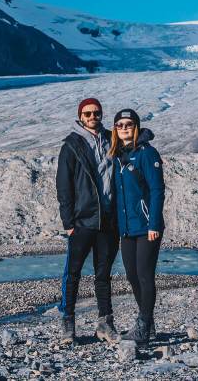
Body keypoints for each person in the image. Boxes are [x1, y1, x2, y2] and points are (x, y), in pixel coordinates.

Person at [55, 97, 121, 345]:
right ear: (80, 116)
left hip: (108, 221)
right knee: (73, 273)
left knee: (103, 274)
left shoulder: (112, 139)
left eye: (96, 113)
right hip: (82, 221)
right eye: (87, 113)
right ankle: (68, 324)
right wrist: (68, 222)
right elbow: (64, 185)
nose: (92, 117)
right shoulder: (71, 145)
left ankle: (105, 323)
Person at [109, 108, 165, 345]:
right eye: (119, 125)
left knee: (144, 275)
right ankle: (148, 324)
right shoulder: (117, 155)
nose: (124, 128)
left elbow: (157, 190)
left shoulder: (147, 154)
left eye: (128, 124)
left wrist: (154, 223)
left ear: (137, 126)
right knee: (132, 275)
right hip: (127, 228)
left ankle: (143, 327)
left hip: (146, 227)